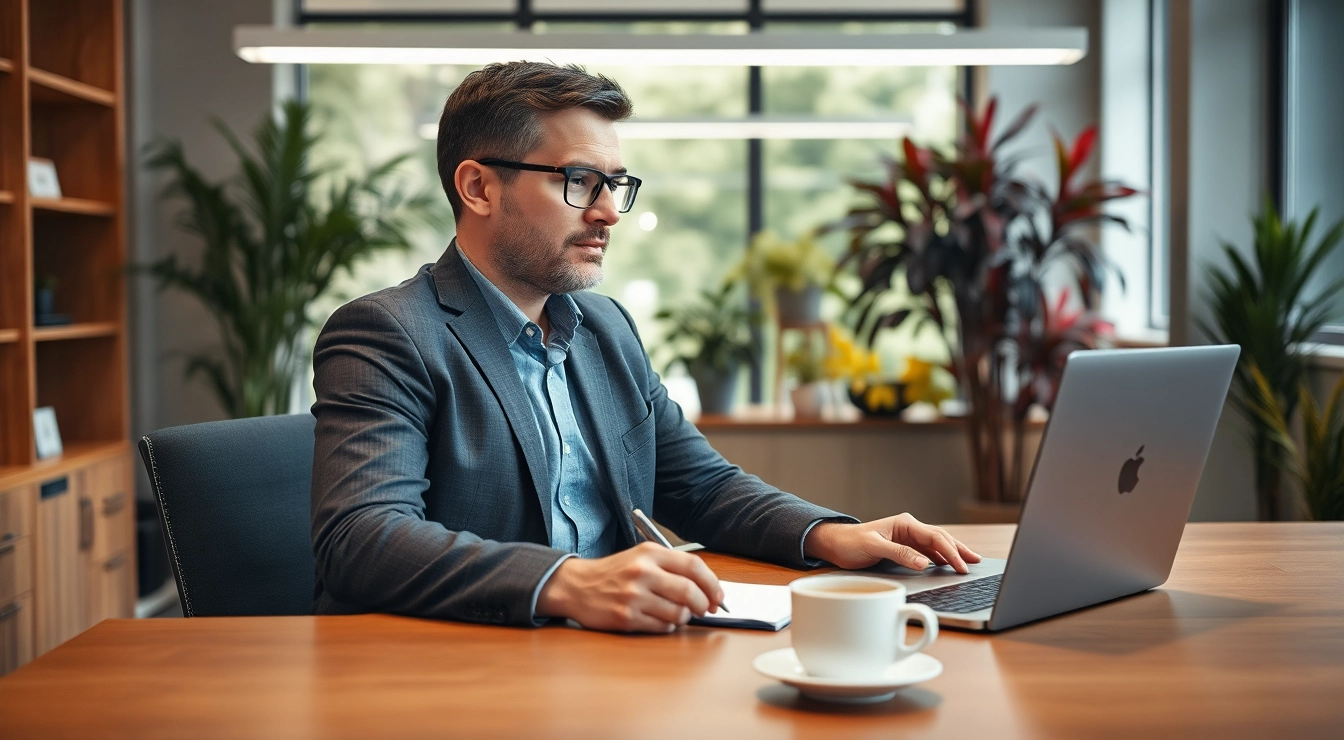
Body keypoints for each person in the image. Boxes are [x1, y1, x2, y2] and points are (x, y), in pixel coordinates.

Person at [310, 61, 980, 634]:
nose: (606, 212)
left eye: (615, 185)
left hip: (613, 654)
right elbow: (362, 538)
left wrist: (831, 535)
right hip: (463, 667)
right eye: (577, 181)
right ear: (478, 187)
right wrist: (568, 583)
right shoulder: (389, 331)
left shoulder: (604, 330)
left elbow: (701, 486)